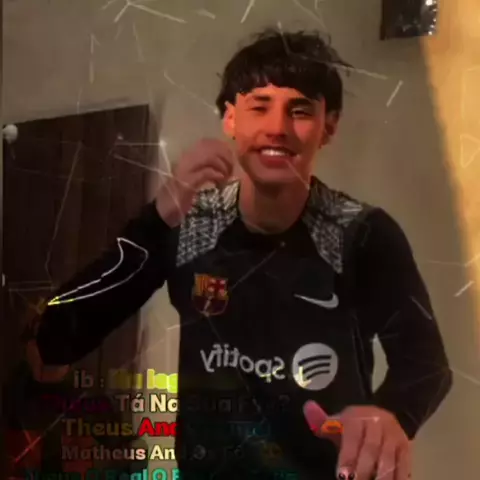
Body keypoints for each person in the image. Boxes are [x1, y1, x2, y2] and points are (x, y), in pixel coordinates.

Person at [33, 29, 452, 480]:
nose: (277, 128)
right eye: (259, 106)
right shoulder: (191, 224)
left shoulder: (362, 233)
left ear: (328, 126)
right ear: (230, 118)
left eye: (300, 110)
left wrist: (390, 416)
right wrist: (156, 219)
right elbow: (56, 337)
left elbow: (426, 366)